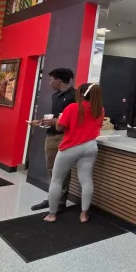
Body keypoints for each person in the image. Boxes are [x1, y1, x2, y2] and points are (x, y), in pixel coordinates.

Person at [44, 83, 104, 224]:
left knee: (57, 180)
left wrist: (57, 120)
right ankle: (84, 214)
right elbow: (98, 125)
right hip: (90, 147)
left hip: (70, 147)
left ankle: (52, 214)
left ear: (81, 94)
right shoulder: (100, 110)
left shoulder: (72, 107)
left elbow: (59, 127)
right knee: (86, 180)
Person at [30, 68, 76, 212]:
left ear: (58, 80)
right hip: (51, 135)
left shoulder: (75, 96)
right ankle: (52, 198)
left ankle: (60, 201)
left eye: (51, 79)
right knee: (51, 169)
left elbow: (74, 118)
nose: (50, 82)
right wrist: (42, 122)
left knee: (62, 170)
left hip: (65, 137)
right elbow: (56, 117)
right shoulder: (55, 96)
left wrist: (56, 121)